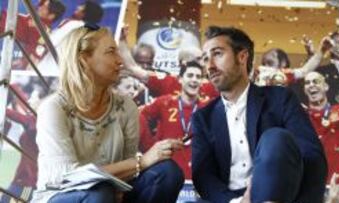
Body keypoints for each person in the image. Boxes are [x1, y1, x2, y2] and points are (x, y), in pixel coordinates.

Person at [31, 24, 184, 203]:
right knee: (98, 193)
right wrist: (140, 162)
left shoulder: (127, 106)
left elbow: (128, 171)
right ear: (83, 59)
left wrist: (129, 174)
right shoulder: (53, 108)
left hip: (110, 194)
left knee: (167, 172)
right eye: (111, 52)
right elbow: (67, 177)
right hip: (64, 196)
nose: (120, 60)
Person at [192, 26, 327, 203]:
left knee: (275, 138)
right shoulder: (203, 117)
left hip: (277, 196)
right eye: (205, 58)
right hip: (228, 201)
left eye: (217, 54)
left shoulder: (280, 98)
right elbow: (204, 177)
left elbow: (312, 157)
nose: (209, 66)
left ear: (242, 57)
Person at [140, 61, 209, 179]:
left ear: (202, 82)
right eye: (190, 75)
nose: (194, 80)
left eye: (198, 77)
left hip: (197, 175)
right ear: (180, 79)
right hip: (167, 172)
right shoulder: (164, 102)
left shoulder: (208, 107)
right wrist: (149, 146)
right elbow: (139, 117)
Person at [303, 71, 339, 184]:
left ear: (326, 87)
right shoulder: (301, 116)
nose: (311, 85)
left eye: (316, 81)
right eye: (307, 82)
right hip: (312, 184)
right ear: (304, 90)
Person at [0, 0, 66, 69]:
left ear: (51, 16)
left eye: (45, 7)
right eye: (42, 5)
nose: (40, 7)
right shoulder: (36, 19)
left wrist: (20, 67)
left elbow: (33, 60)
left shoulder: (43, 33)